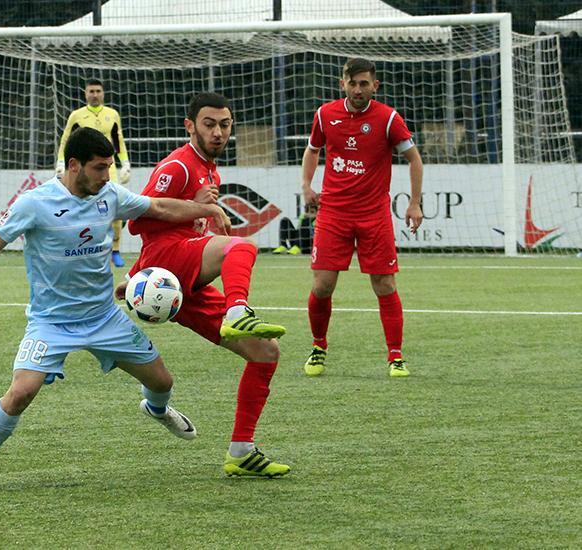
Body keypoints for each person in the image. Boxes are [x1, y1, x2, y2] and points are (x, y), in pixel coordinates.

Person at [0, 127, 231, 492]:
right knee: (20, 393)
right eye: (99, 168)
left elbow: (160, 207)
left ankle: (157, 409)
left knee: (163, 383)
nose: (106, 176)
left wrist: (206, 208)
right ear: (74, 165)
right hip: (51, 323)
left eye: (109, 167)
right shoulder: (35, 203)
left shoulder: (110, 195)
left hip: (104, 317)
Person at [116, 92, 290, 478]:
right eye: (209, 124)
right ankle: (238, 310)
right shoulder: (178, 165)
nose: (218, 132)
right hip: (169, 260)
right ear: (190, 126)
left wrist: (133, 275)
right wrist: (202, 206)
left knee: (266, 352)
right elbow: (138, 220)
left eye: (224, 125)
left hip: (182, 284)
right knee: (241, 247)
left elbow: (184, 224)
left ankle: (241, 451)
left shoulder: (211, 171)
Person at [300, 57, 423, 378]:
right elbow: (313, 149)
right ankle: (318, 346)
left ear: (375, 86)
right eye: (352, 83)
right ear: (342, 84)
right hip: (333, 214)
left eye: (364, 83)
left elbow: (414, 159)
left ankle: (395, 356)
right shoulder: (325, 115)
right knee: (322, 285)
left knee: (384, 284)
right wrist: (307, 185)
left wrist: (414, 203)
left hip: (374, 215)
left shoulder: (388, 118)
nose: (357, 89)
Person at [57, 78, 131, 268]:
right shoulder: (76, 116)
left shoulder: (112, 114)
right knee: (82, 207)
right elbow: (66, 140)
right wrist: (61, 162)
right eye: (91, 91)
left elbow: (118, 140)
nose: (95, 95)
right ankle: (84, 248)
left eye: (98, 91)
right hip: (84, 168)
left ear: (103, 93)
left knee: (114, 206)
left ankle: (115, 250)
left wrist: (125, 163)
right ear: (85, 94)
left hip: (108, 167)